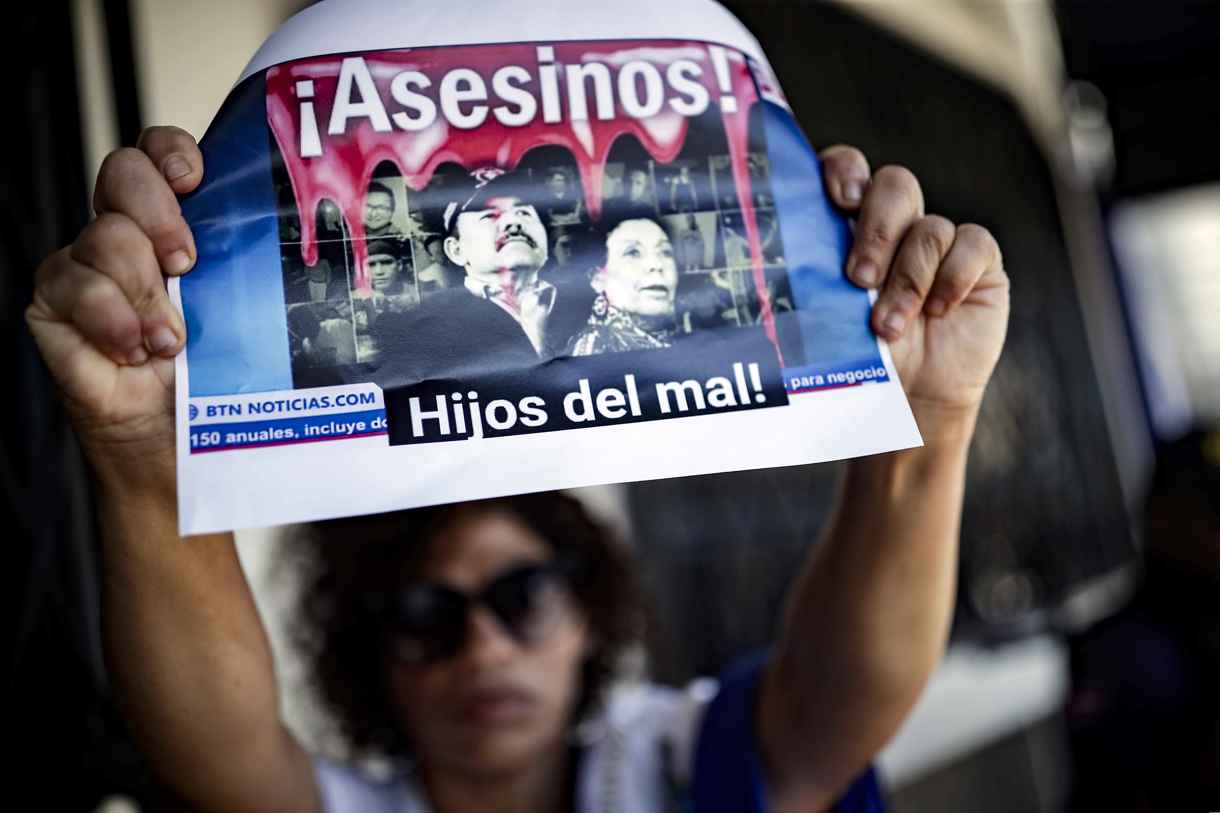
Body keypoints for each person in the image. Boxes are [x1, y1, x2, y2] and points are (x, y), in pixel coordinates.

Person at [27, 126, 1008, 812]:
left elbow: (843, 704)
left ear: (588, 611)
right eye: (425, 618)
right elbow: (219, 762)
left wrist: (922, 419)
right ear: (370, 656)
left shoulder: (680, 763)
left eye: (522, 595)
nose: (483, 652)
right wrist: (144, 459)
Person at [372, 167, 560, 384]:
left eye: (523, 212)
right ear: (456, 250)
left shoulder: (593, 303)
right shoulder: (424, 333)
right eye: (489, 215)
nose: (514, 222)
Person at [569, 216, 679, 355]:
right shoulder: (593, 351)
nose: (656, 265)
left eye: (665, 252)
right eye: (633, 252)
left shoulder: (685, 342)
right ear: (598, 279)